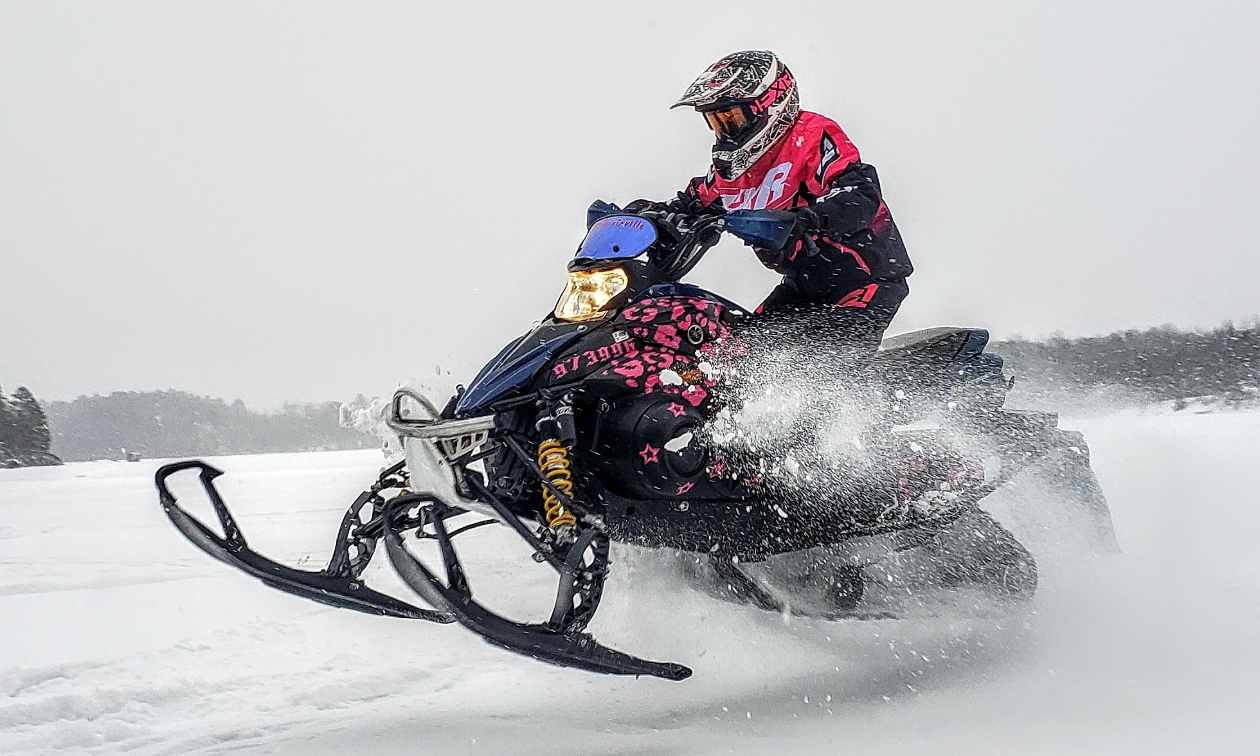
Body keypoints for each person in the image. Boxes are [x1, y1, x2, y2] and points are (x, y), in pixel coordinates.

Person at [634, 50, 913, 356]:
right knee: (734, 357)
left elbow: (860, 192)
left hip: (865, 281)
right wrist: (643, 216)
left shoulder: (811, 136)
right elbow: (693, 203)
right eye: (716, 121)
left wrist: (807, 219)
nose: (724, 131)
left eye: (732, 118)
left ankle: (860, 404)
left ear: (770, 106)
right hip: (803, 287)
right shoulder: (730, 174)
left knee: (818, 367)